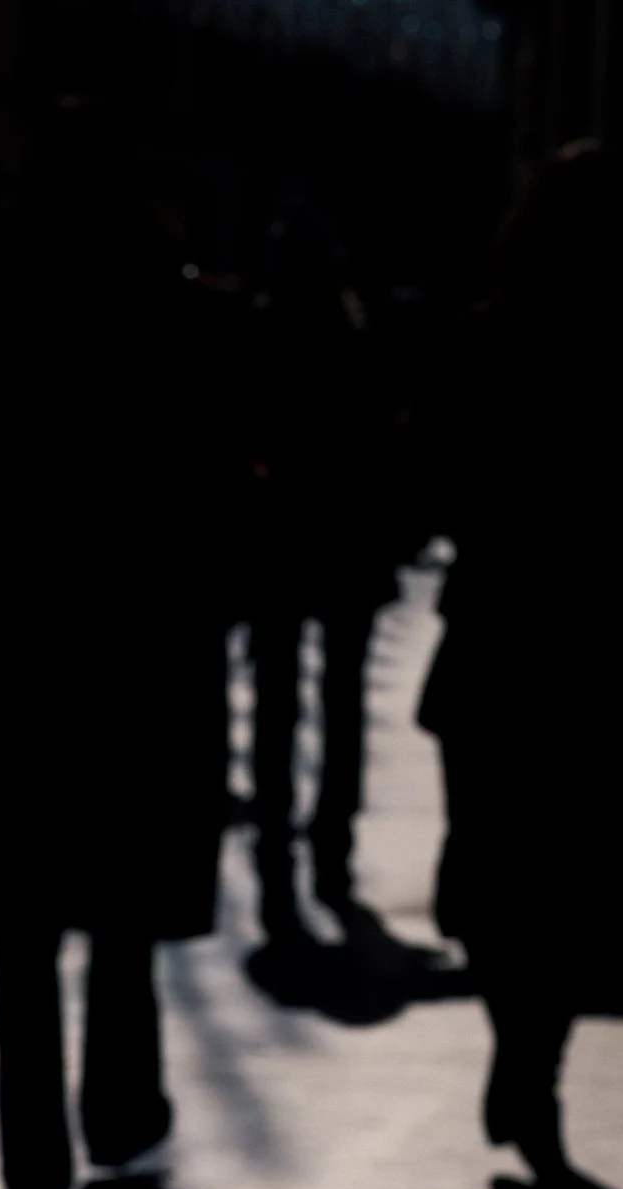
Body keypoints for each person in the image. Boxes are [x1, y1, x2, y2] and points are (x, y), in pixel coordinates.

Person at [0, 104, 239, 1189]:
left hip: (19, 663)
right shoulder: (191, 321)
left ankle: (30, 1157)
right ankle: (123, 1102)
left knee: (29, 927)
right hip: (146, 659)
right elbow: (226, 502)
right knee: (127, 905)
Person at [414, 144, 623, 1175]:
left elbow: (435, 477)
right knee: (566, 873)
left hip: (493, 638)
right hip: (590, 646)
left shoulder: (485, 340)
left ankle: (515, 1042)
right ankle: (536, 1060)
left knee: (488, 860)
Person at [242, 205, 406, 939]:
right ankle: (330, 840)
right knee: (342, 701)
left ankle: (276, 836)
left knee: (277, 700)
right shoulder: (361, 344)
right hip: (348, 544)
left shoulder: (260, 338)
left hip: (280, 541)